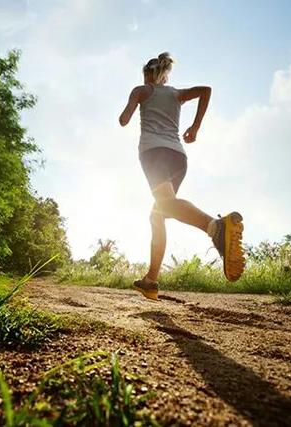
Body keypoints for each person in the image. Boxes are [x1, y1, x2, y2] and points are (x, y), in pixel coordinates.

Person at [119, 52, 245, 301]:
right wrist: (195, 126)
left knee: (165, 205)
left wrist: (134, 104)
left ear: (148, 75)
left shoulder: (141, 90)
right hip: (178, 156)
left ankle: (215, 227)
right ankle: (151, 280)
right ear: (165, 76)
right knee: (159, 213)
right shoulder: (176, 94)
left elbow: (124, 119)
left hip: (153, 153)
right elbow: (205, 90)